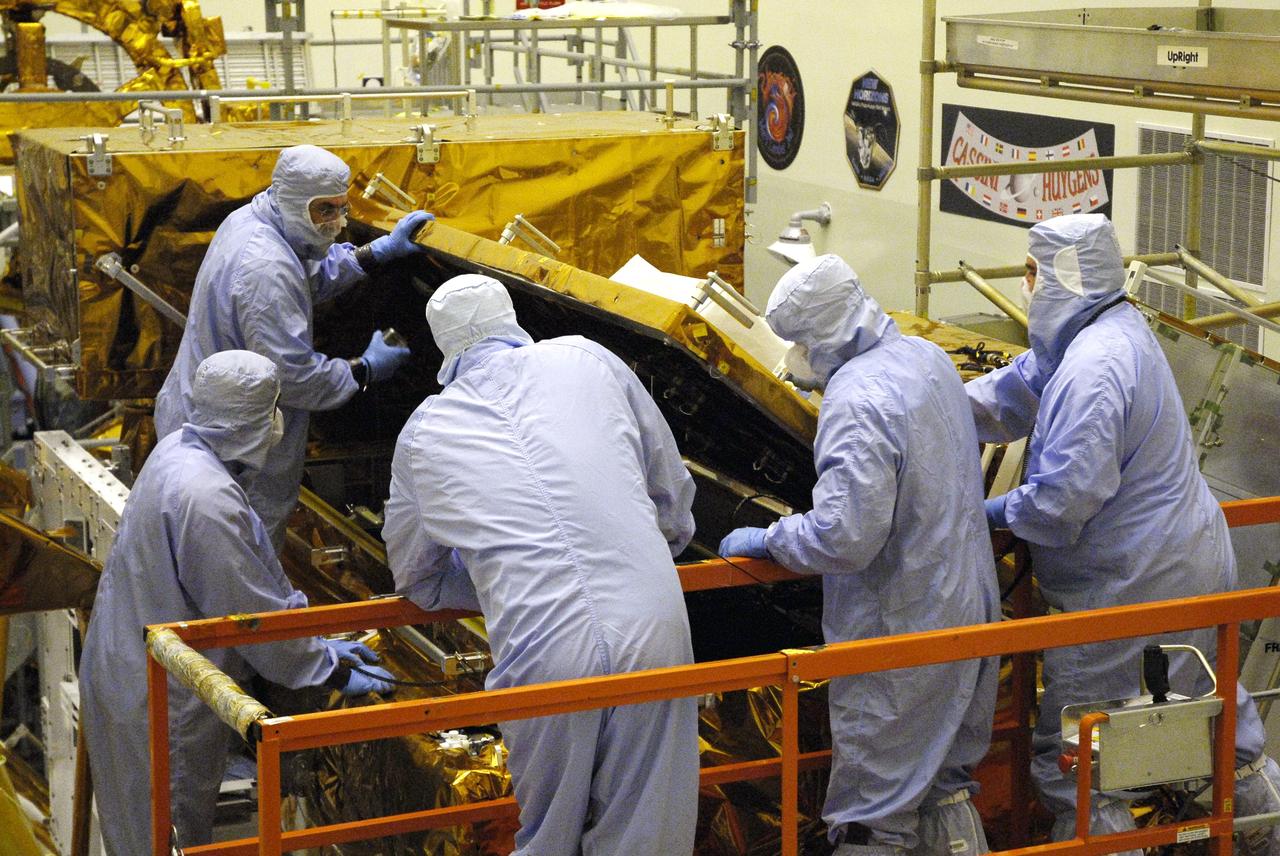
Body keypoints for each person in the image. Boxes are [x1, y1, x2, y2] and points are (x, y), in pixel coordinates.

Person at [968, 213, 1280, 852]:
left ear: (1057, 276)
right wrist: (924, 400)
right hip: (1182, 567)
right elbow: (1016, 388)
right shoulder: (1102, 333)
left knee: (1087, 763)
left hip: (1131, 590)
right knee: (1216, 733)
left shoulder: (1095, 368)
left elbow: (1060, 504)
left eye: (1031, 270)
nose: (1025, 284)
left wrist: (977, 516)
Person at [382, 274, 699, 855]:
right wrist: (636, 551)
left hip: (542, 648)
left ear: (443, 348)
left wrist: (505, 580)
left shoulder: (424, 431)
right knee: (648, 830)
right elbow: (672, 499)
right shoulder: (589, 359)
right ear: (512, 317)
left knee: (550, 836)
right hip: (653, 624)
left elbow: (416, 579)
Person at [719, 254, 999, 856]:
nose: (791, 361)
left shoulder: (856, 398)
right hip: (967, 618)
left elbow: (845, 536)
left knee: (872, 818)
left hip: (900, 639)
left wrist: (771, 538)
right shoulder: (924, 358)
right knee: (942, 791)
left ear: (819, 332)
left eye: (795, 342)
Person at [80, 350, 393, 856]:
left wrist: (320, 645)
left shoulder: (180, 452)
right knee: (169, 837)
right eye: (274, 408)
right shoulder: (207, 499)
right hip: (161, 702)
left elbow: (248, 585)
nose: (279, 420)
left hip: (123, 669)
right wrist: (325, 667)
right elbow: (249, 610)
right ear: (254, 418)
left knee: (137, 832)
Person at [154, 144, 433, 549]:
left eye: (342, 208)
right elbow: (294, 378)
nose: (337, 223)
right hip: (235, 444)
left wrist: (373, 254)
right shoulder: (264, 267)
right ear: (294, 200)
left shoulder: (256, 221)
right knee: (238, 552)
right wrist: (365, 369)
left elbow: (305, 277)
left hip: (206, 416)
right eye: (325, 210)